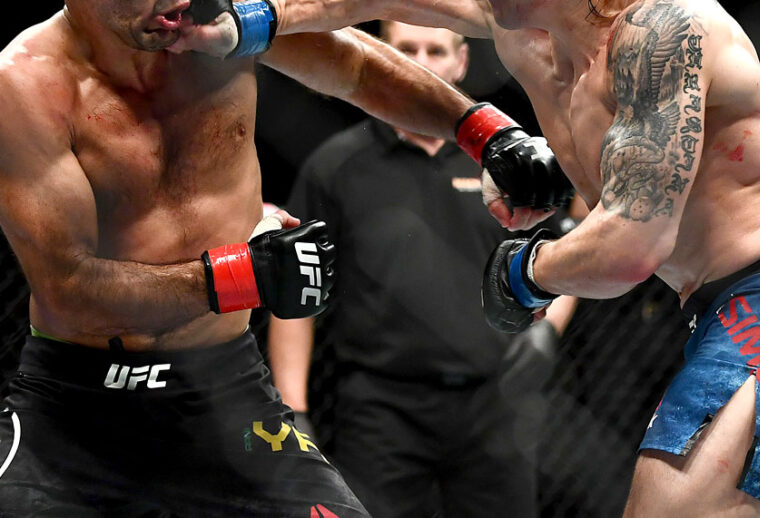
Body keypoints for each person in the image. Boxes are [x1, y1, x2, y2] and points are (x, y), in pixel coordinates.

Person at [176, 0, 760, 515]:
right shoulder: (525, 32)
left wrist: (525, 273)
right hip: (715, 305)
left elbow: (633, 245)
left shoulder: (662, 29)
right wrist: (252, 15)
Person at [0, 0, 572, 516]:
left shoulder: (212, 22)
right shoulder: (27, 83)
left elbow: (356, 67)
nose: (176, 2)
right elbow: (68, 288)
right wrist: (247, 276)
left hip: (226, 394)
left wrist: (487, 133)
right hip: (73, 411)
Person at [266, 21, 579, 518]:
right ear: (380, 57)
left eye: (436, 50)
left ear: (461, 62)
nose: (421, 63)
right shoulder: (337, 164)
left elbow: (566, 250)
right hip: (379, 407)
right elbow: (294, 292)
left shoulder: (503, 164)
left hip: (495, 400)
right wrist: (293, 412)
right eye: (406, 49)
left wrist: (548, 328)